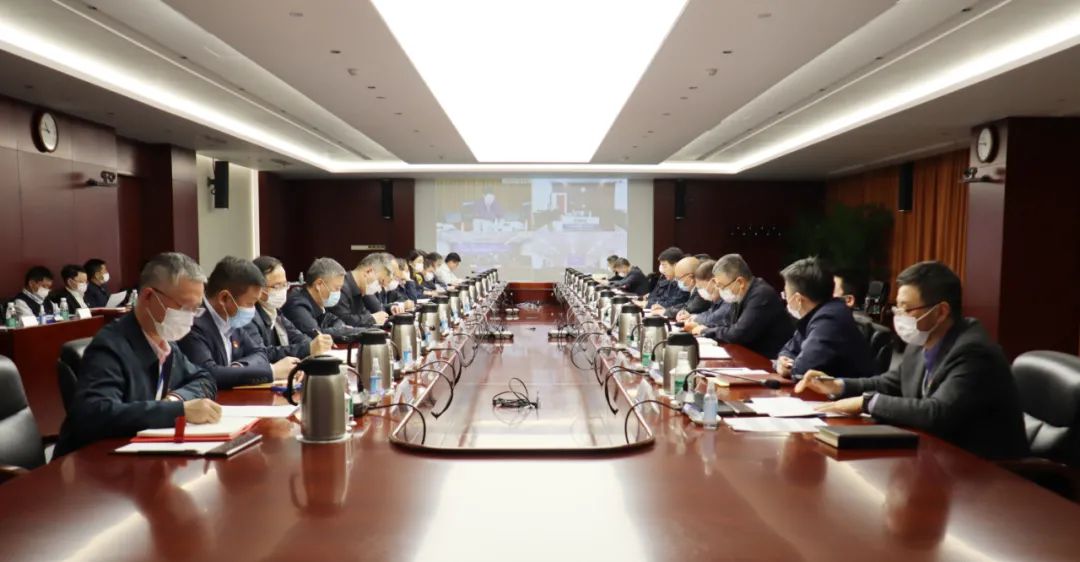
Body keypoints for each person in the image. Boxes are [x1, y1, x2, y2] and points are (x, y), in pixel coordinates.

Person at [797, 261, 1028, 460]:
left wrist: (867, 403)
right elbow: (892, 382)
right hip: (937, 457)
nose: (898, 315)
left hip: (984, 472)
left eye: (906, 309)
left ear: (941, 311)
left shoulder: (973, 351)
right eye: (897, 307)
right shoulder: (923, 340)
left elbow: (938, 412)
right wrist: (838, 385)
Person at [54, 253, 220, 457]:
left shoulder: (164, 341)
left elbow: (204, 379)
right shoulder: (110, 346)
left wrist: (175, 399)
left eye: (195, 309)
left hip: (143, 453)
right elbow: (96, 414)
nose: (190, 317)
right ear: (149, 296)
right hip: (93, 462)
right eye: (184, 307)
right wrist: (179, 411)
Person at [179, 257, 297, 389]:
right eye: (249, 303)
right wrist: (272, 371)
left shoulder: (232, 318)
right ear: (224, 298)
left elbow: (259, 353)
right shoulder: (193, 323)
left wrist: (237, 368)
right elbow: (209, 373)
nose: (252, 310)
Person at [775, 257, 875, 381]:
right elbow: (788, 350)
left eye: (785, 295)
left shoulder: (830, 319)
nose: (785, 299)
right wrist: (782, 361)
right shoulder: (816, 315)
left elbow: (802, 369)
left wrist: (788, 367)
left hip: (846, 392)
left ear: (798, 299)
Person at [697, 254, 793, 357]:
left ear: (740, 282)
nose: (720, 291)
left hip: (769, 359)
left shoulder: (761, 295)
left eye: (722, 286)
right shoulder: (739, 295)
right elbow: (727, 324)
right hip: (749, 354)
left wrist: (704, 330)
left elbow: (738, 334)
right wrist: (706, 329)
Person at [245, 256, 333, 362]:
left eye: (285, 284)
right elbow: (263, 354)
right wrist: (308, 348)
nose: (283, 290)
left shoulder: (275, 312)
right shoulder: (249, 316)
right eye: (277, 286)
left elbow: (297, 336)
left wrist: (314, 344)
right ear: (259, 288)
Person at [281, 257, 364, 340]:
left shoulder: (317, 302)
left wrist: (340, 329)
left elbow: (334, 320)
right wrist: (343, 330)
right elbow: (318, 335)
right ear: (319, 284)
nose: (339, 293)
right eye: (337, 288)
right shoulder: (297, 304)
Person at [330, 254, 389, 328]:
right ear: (368, 271)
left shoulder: (363, 289)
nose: (379, 289)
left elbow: (371, 312)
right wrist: (371, 319)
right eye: (379, 282)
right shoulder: (341, 286)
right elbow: (342, 320)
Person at [683, 260, 731, 332]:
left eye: (701, 287)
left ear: (714, 282)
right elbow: (709, 312)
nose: (700, 292)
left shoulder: (728, 298)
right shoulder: (716, 300)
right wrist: (692, 316)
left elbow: (714, 318)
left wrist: (695, 319)